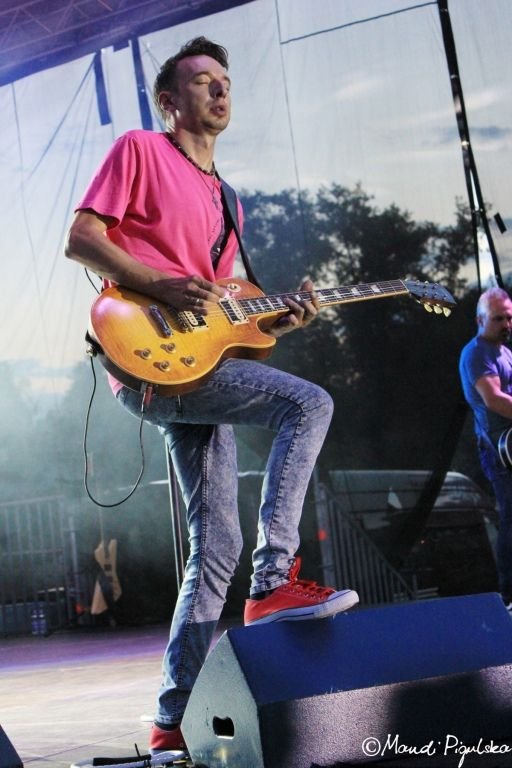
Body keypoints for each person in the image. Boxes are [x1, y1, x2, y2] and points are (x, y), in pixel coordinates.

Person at [65, 36, 359, 755]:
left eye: (225, 79)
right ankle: (274, 579)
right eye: (202, 80)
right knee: (308, 404)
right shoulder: (141, 150)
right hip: (147, 357)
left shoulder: (228, 200)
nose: (220, 89)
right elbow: (81, 237)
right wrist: (158, 284)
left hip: (196, 365)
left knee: (216, 545)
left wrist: (277, 321)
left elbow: (223, 312)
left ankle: (170, 721)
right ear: (170, 101)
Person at [459, 286, 512, 611]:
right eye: (498, 319)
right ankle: (509, 595)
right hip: (499, 449)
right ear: (480, 320)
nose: (506, 324)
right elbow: (493, 400)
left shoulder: (505, 352)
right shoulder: (476, 353)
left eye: (509, 317)